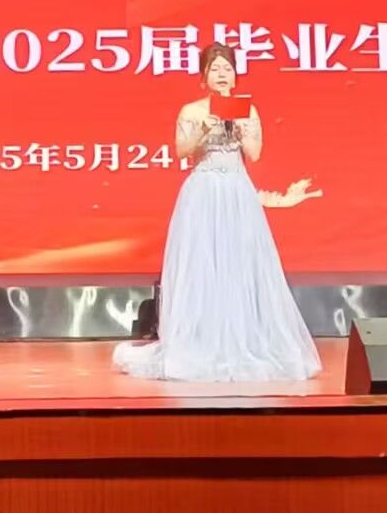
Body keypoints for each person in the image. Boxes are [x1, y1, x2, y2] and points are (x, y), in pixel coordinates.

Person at [113, 42, 320, 383]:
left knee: (240, 263)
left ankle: (244, 339)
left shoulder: (247, 110)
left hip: (237, 191)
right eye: (215, 69)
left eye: (227, 68)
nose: (222, 74)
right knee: (203, 263)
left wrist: (240, 129)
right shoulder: (192, 111)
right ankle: (200, 341)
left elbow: (254, 153)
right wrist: (204, 129)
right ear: (204, 77)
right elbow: (181, 151)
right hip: (204, 191)